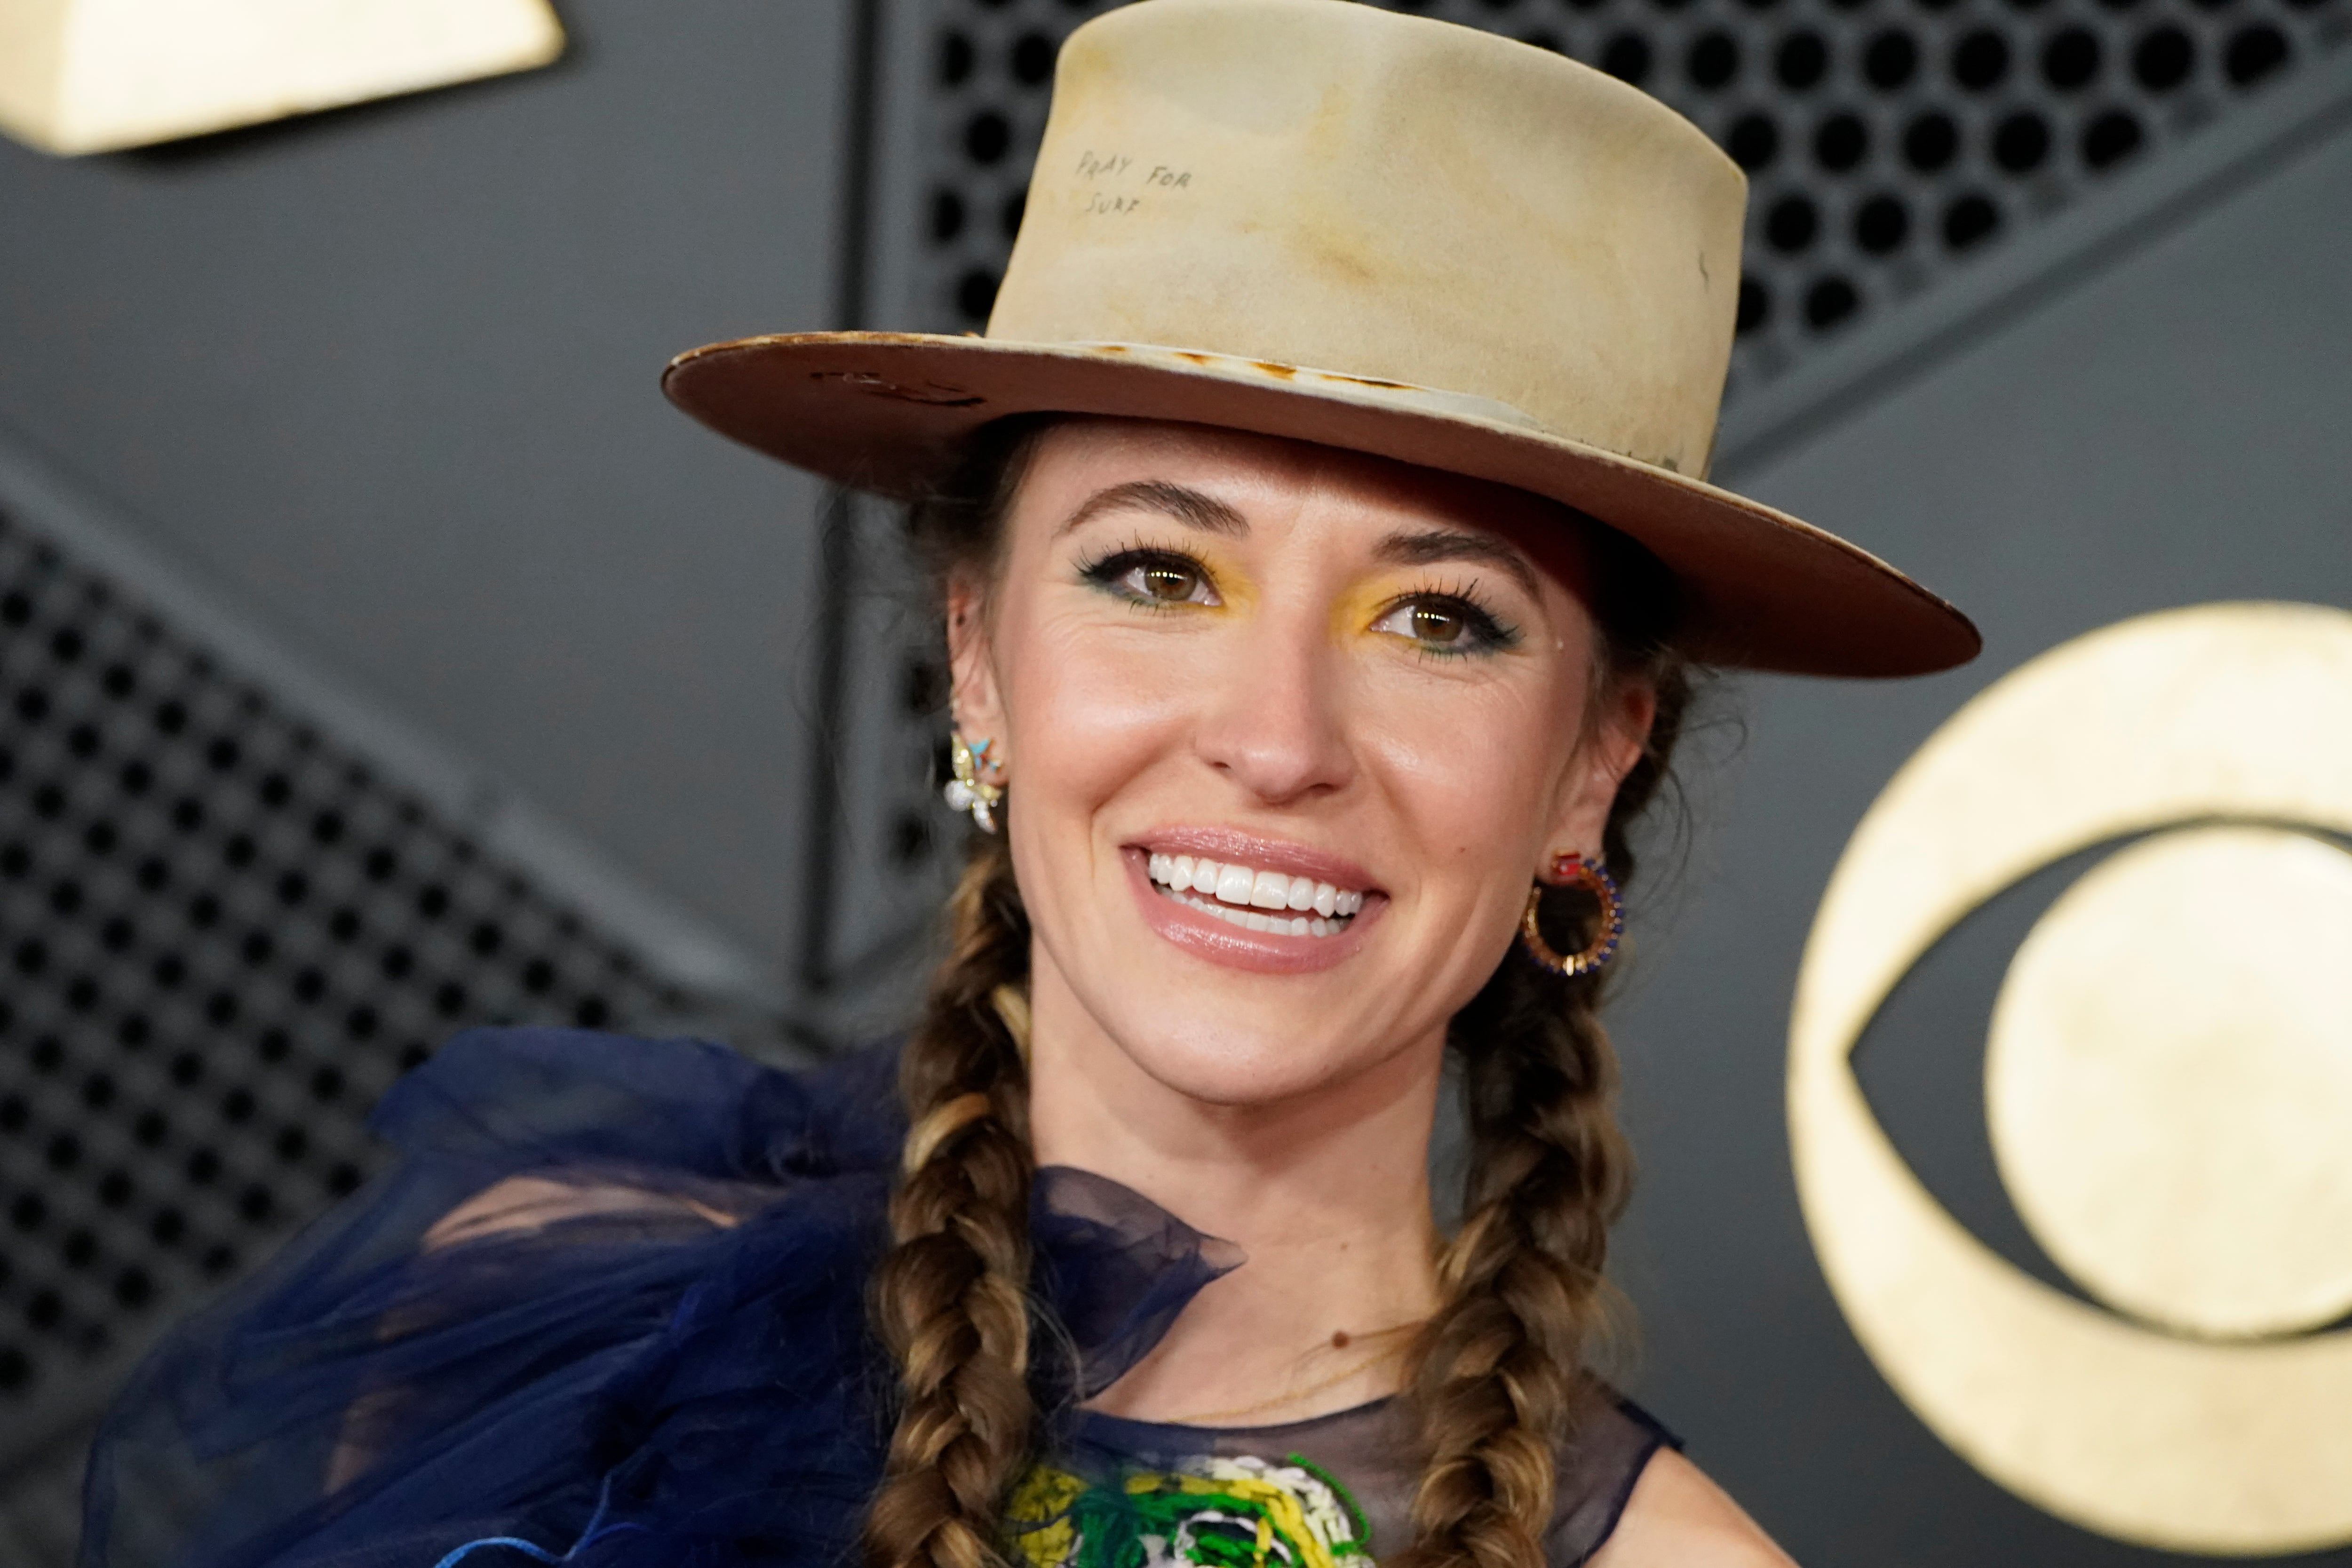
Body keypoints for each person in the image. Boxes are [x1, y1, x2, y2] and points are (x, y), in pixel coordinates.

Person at [80, 3, 1977, 1567]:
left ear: (1592, 764)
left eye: (1438, 620)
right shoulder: (559, 1327)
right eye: (1158, 574)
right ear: (979, 653)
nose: (1278, 740)